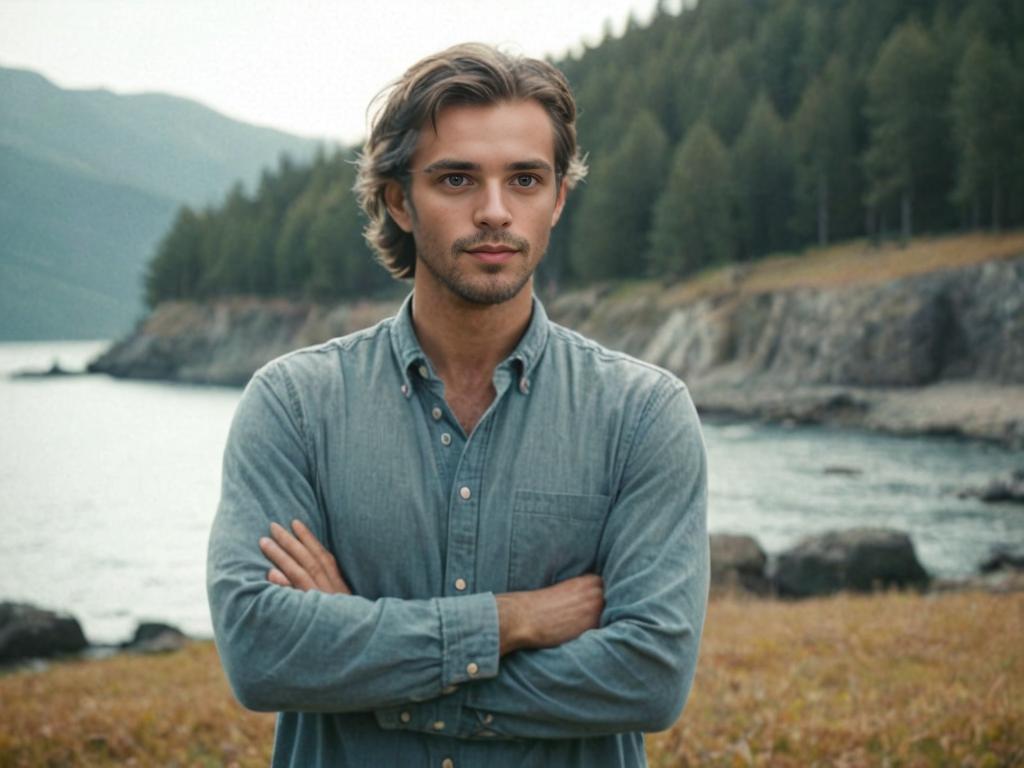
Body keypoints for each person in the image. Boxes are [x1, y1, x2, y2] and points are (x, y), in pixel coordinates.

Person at [207, 42, 709, 768]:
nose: (495, 211)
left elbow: (650, 678)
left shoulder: (643, 414)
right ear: (398, 200)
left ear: (559, 198)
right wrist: (516, 621)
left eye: (526, 179)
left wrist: (361, 653)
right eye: (456, 179)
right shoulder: (293, 406)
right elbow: (260, 655)